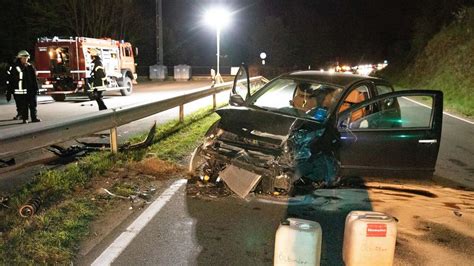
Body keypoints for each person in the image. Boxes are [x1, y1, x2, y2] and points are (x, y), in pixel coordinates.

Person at [7, 50, 41, 124]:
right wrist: (9, 91)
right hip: (21, 91)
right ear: (20, 58)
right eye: (24, 58)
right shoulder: (15, 67)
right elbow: (11, 79)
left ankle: (34, 118)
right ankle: (25, 118)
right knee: (24, 106)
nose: (26, 59)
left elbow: (34, 79)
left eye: (27, 58)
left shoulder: (30, 66)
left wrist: (36, 89)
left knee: (33, 105)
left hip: (31, 90)